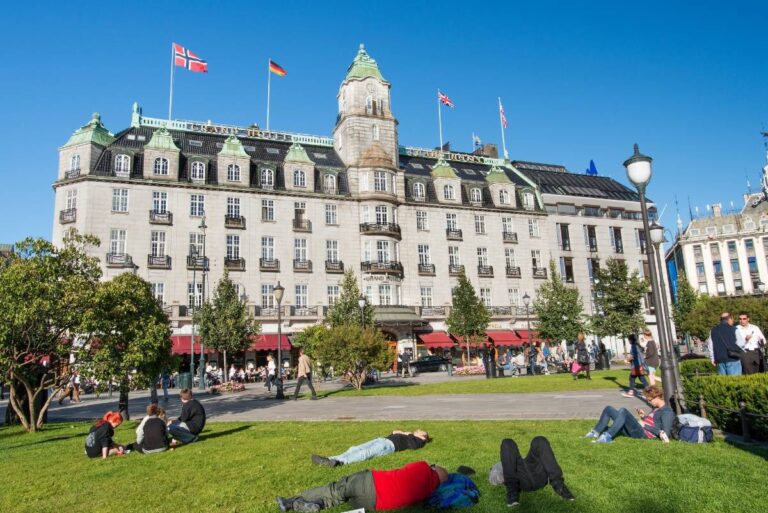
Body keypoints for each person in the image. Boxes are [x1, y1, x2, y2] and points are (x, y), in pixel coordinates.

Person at [276, 461, 448, 512]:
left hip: (370, 482)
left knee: (334, 490)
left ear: (434, 469)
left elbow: (408, 467)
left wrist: (431, 467)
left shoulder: (423, 467)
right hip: (371, 505)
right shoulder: (427, 493)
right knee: (337, 500)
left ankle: (291, 501)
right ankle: (315, 505)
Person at [488, 437, 575, 507]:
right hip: (520, 480)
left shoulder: (507, 462)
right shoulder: (502, 465)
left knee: (539, 440)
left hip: (539, 474)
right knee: (507, 442)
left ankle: (558, 485)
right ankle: (512, 493)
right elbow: (494, 478)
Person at [585, 385, 675, 444]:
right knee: (609, 409)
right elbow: (653, 422)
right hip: (640, 429)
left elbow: (665, 433)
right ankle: (595, 432)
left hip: (644, 434)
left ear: (657, 397)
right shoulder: (656, 408)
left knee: (623, 411)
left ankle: (607, 436)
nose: (648, 402)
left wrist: (644, 425)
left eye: (649, 400)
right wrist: (644, 417)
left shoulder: (667, 412)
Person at [311, 429, 430, 467]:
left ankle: (340, 462)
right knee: (354, 448)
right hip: (382, 440)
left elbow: (414, 446)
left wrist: (406, 433)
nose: (417, 430)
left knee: (365, 453)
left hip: (388, 446)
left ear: (423, 437)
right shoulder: (410, 435)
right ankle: (329, 459)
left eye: (420, 431)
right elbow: (393, 431)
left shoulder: (419, 441)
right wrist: (399, 432)